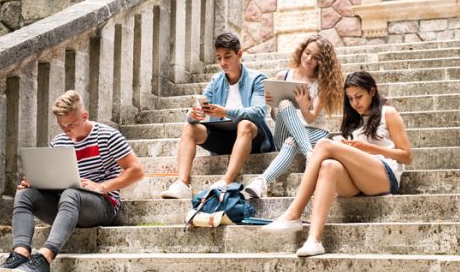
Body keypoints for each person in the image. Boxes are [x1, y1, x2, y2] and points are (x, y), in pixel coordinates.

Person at [0, 90, 144, 272]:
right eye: (62, 126)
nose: (66, 130)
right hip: (67, 207)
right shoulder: (59, 141)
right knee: (24, 195)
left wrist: (101, 186)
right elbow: (55, 179)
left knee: (71, 193)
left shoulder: (107, 136)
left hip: (101, 205)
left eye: (71, 125)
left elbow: (136, 171)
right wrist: (35, 182)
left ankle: (44, 259)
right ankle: (20, 254)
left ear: (84, 116)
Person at [261, 71, 412, 257]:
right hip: (358, 180)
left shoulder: (388, 113)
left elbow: (406, 156)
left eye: (359, 96)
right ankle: (314, 240)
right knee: (328, 167)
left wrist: (370, 149)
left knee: (324, 144)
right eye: (350, 98)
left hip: (384, 176)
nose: (355, 103)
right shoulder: (353, 120)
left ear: (372, 91)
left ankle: (294, 212)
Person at [161, 32, 274, 199]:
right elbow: (195, 111)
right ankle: (182, 183)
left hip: (253, 138)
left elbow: (258, 112)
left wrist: (226, 111)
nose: (223, 62)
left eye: (227, 57)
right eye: (219, 58)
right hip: (224, 138)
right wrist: (194, 114)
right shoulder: (216, 81)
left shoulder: (257, 79)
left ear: (239, 54)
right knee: (189, 128)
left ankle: (226, 181)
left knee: (244, 124)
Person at [243, 36, 344, 199]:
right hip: (285, 132)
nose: (309, 59)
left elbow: (310, 119)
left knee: (291, 141)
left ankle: (261, 181)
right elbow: (276, 118)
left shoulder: (322, 84)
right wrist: (272, 105)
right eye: (307, 53)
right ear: (302, 51)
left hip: (315, 132)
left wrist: (304, 107)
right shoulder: (283, 75)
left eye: (316, 57)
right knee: (284, 103)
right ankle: (310, 155)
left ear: (322, 62)